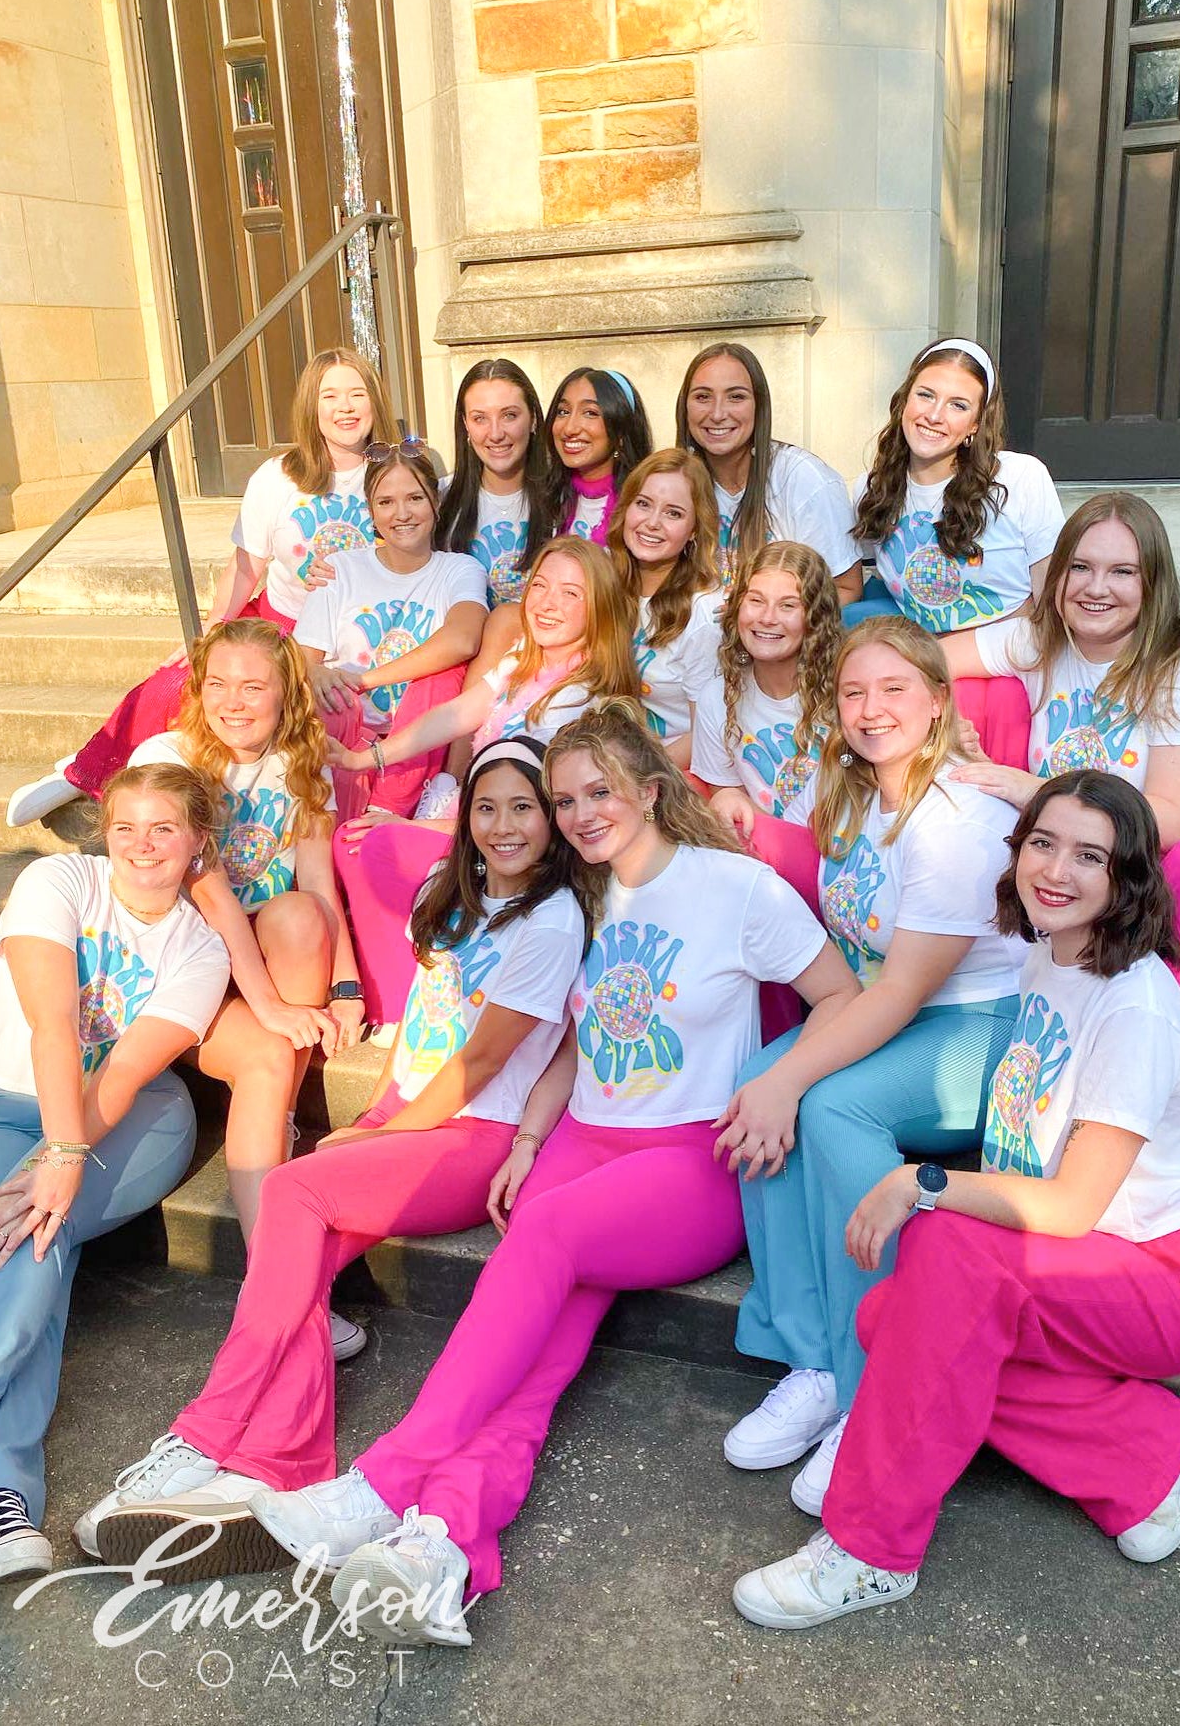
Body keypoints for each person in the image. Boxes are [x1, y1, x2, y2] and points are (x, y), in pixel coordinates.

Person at [147, 701, 856, 1642]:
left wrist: (780, 1083)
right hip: (582, 1144)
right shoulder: (591, 897)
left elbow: (841, 996)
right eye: (565, 800)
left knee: (545, 1240)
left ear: (652, 788)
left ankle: (380, 1482)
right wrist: (528, 1139)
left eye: (599, 791)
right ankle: (441, 1544)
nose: (580, 813)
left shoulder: (736, 888)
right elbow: (578, 1040)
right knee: (537, 1355)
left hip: (688, 1156)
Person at [73, 736, 588, 1579]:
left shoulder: (553, 917)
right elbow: (424, 1034)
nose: (503, 825)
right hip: (409, 1116)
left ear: (551, 819)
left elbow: (481, 1060)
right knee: (296, 1259)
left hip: (469, 1137)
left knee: (291, 1194)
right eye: (486, 806)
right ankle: (267, 1467)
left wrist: (384, 1134)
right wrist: (378, 1108)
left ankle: (204, 1436)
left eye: (523, 807)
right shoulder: (449, 888)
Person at [732, 772, 1180, 1630]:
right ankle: (1146, 1458)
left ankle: (869, 1549)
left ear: (1127, 875)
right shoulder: (1052, 953)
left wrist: (921, 1181)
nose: (1056, 869)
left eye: (1089, 855)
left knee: (939, 1268)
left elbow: (1073, 1205)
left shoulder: (1138, 1003)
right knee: (894, 1322)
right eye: (1042, 842)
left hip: (1147, 1271)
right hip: (1080, 1262)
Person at [718, 619, 1022, 1518]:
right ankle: (810, 1356)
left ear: (937, 700)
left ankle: (871, 1379)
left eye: (893, 689)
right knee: (759, 1079)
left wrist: (794, 1081)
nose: (870, 708)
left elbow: (901, 990)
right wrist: (776, 1077)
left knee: (827, 1103)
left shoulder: (958, 819)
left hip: (986, 1027)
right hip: (903, 1010)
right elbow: (864, 978)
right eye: (853, 691)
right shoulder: (853, 795)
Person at [0, 765, 230, 1585]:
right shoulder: (57, 880)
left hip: (133, 1117)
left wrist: (59, 1160)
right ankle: (1, 1495)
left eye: (164, 828)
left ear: (198, 840)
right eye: (126, 826)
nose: (142, 845)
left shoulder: (200, 947)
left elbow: (121, 1073)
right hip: (8, 1100)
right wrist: (54, 1156)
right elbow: (51, 1024)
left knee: (36, 1222)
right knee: (35, 1238)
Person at [7, 349, 394, 828]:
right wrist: (212, 632)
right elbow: (245, 567)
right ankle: (86, 769)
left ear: (375, 401)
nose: (345, 407)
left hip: (359, 634)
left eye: (357, 394)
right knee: (178, 679)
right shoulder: (279, 477)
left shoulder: (395, 471)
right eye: (330, 396)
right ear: (311, 407)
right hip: (279, 626)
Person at [329, 539, 639, 1031]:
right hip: (478, 818)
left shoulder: (581, 697)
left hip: (522, 847)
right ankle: (406, 995)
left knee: (372, 844)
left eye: (570, 594)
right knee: (355, 838)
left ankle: (407, 1009)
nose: (548, 603)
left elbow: (534, 815)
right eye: (540, 586)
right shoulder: (522, 662)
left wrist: (416, 828)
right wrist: (364, 757)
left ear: (598, 607)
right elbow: (457, 714)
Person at [129, 621, 363, 1248]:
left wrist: (346, 986)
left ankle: (276, 1112)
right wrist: (268, 1005)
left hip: (264, 956)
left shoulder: (298, 764)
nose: (232, 702)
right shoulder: (167, 760)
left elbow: (319, 881)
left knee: (299, 912)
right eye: (218, 684)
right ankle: (275, 1114)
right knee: (269, 1044)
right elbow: (212, 894)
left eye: (253, 687)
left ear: (287, 693)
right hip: (178, 966)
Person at [939, 492, 1180, 848]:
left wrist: (1037, 791)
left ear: (1153, 583)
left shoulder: (1169, 669)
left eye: (1122, 571)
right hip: (1046, 851)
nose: (1096, 588)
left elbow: (1171, 820)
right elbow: (920, 663)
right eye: (1080, 567)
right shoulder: (1039, 640)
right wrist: (946, 723)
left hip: (1128, 865)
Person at [294, 443, 488, 821]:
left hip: (415, 748)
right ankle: (339, 822)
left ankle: (386, 813)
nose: (401, 514)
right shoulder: (339, 568)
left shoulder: (459, 570)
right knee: (328, 699)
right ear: (370, 510)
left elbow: (463, 639)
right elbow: (302, 658)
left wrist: (364, 680)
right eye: (386, 502)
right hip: (346, 733)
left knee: (443, 678)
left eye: (415, 498)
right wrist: (315, 672)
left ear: (436, 502)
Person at [846, 338, 1064, 634]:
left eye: (958, 405)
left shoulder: (1020, 478)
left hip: (1008, 649)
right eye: (925, 395)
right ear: (904, 401)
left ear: (976, 424)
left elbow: (1050, 606)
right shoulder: (873, 490)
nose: (934, 416)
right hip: (920, 651)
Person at [676, 342, 862, 604]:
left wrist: (775, 618)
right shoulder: (676, 481)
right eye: (703, 397)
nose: (717, 414)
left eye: (736, 397)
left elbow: (845, 588)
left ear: (759, 405)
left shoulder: (803, 479)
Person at [692, 541, 842, 827]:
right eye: (756, 601)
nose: (767, 618)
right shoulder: (717, 697)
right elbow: (731, 800)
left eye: (788, 606)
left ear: (816, 617)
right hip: (770, 844)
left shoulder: (848, 689)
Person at [606, 448, 723, 768]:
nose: (652, 523)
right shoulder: (605, 581)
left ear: (695, 529)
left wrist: (636, 778)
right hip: (614, 755)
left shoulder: (703, 612)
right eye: (643, 504)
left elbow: (707, 734)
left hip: (676, 768)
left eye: (673, 513)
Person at [434, 359, 555, 609]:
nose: (496, 433)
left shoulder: (563, 496)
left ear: (533, 418)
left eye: (509, 415)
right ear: (465, 425)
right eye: (480, 418)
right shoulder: (440, 499)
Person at [545, 367, 653, 545]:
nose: (570, 429)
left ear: (621, 430)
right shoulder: (546, 498)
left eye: (590, 413)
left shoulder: (643, 504)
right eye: (563, 411)